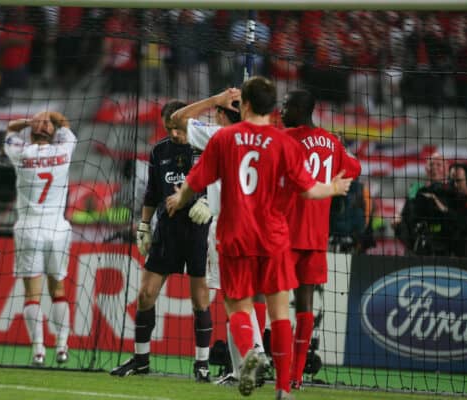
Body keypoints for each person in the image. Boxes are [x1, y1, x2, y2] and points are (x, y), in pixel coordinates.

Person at [166, 76, 353, 400]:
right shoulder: (285, 143)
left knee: (238, 305)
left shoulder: (225, 139)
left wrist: (178, 200)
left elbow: (194, 183)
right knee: (280, 312)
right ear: (272, 109)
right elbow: (309, 190)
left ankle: (251, 352)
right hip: (275, 237)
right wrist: (335, 188)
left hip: (236, 234)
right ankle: (283, 389)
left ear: (246, 105)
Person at [170, 88, 270, 387]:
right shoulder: (268, 140)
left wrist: (215, 99)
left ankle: (253, 351)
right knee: (251, 296)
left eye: (218, 112)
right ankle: (246, 366)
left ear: (224, 113)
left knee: (233, 298)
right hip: (261, 228)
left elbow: (176, 119)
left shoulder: (218, 136)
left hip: (227, 225)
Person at [110, 101, 214, 382]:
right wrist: (144, 226)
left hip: (198, 231)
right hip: (166, 232)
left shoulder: (206, 145)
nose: (175, 134)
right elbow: (153, 192)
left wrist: (209, 203)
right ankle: (141, 360)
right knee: (145, 295)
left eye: (178, 128)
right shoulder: (159, 150)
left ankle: (202, 365)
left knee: (199, 299)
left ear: (189, 124)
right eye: (169, 128)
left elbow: (224, 183)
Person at [280, 89, 361, 390]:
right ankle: (296, 375)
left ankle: (264, 362)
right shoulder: (331, 141)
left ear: (301, 109)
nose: (281, 110)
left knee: (267, 298)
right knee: (305, 304)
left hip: (286, 232)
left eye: (286, 105)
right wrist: (339, 151)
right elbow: (355, 168)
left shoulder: (286, 138)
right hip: (315, 236)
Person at [4, 110, 77, 366]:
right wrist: (50, 116)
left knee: (31, 295)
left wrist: (30, 120)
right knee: (58, 291)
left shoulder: (20, 153)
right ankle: (62, 347)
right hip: (57, 229)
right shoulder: (64, 151)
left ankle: (38, 349)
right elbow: (64, 122)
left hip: (28, 230)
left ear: (33, 131)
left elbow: (10, 130)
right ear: (53, 132)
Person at [422, 162, 467, 258]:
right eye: (452, 181)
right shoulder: (454, 199)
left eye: (458, 181)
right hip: (458, 259)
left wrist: (445, 210)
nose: (455, 184)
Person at [393, 152, 451, 255]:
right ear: (426, 168)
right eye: (431, 164)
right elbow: (407, 218)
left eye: (439, 165)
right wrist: (398, 226)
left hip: (444, 250)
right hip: (418, 249)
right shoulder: (415, 191)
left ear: (447, 169)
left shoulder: (453, 193)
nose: (434, 168)